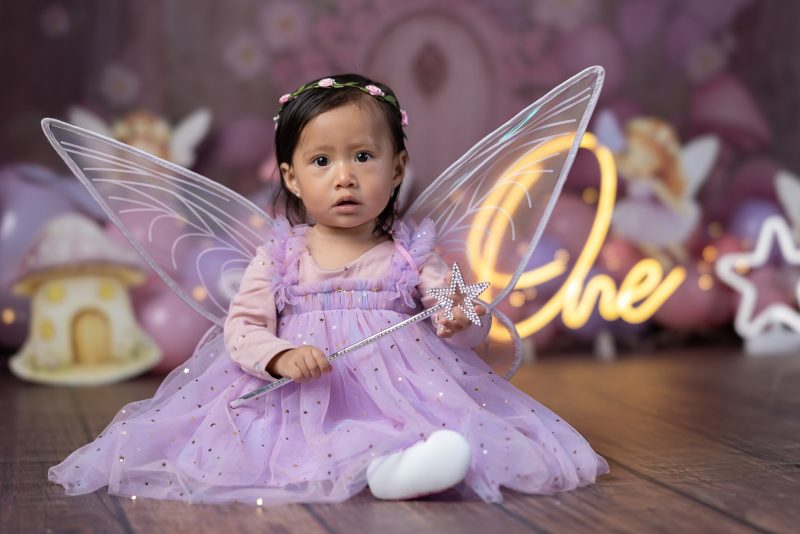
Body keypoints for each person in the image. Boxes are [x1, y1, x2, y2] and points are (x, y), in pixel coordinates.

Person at [48, 74, 608, 505]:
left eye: (363, 157)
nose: (345, 176)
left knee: (424, 423)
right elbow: (241, 330)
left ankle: (400, 466)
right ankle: (381, 470)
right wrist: (282, 355)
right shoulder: (281, 256)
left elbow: (458, 311)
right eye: (321, 161)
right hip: (304, 392)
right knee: (267, 443)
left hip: (402, 386)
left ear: (397, 170)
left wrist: (458, 315)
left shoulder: (414, 252)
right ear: (292, 177)